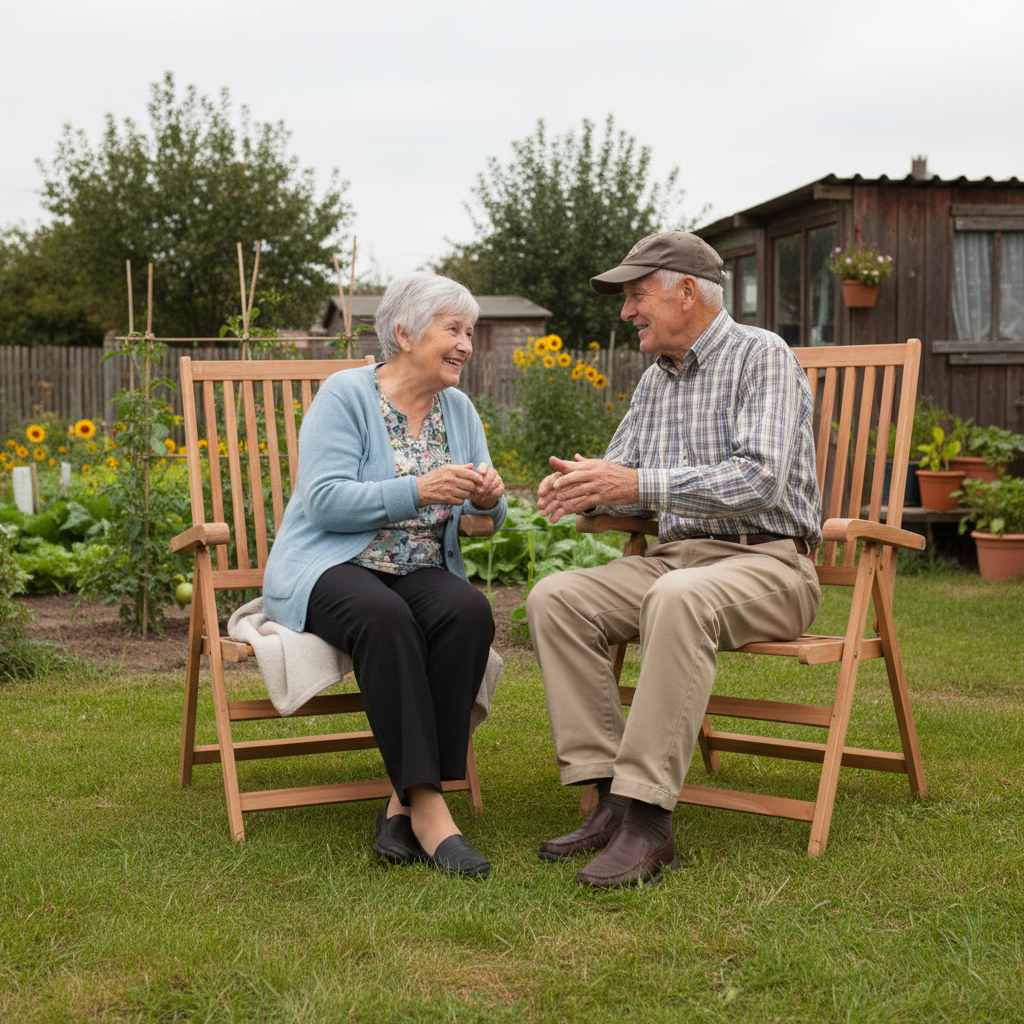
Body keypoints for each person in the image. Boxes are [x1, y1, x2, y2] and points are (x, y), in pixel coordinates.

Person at [526, 232, 823, 888]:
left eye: (637, 296)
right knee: (557, 597)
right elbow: (622, 471)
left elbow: (760, 480)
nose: (627, 312)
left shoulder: (760, 356)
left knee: (677, 597)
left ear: (687, 291)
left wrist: (634, 486)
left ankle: (649, 823)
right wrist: (579, 486)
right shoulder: (656, 380)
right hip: (675, 558)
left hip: (768, 561)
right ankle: (609, 801)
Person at [263, 272, 506, 879]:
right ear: (403, 332)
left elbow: (484, 518)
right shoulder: (345, 395)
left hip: (418, 565)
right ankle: (430, 810)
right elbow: (322, 500)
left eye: (469, 332)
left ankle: (401, 801)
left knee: (468, 611)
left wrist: (486, 501)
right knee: (384, 617)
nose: (466, 344)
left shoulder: (459, 408)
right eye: (453, 329)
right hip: (332, 565)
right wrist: (416, 490)